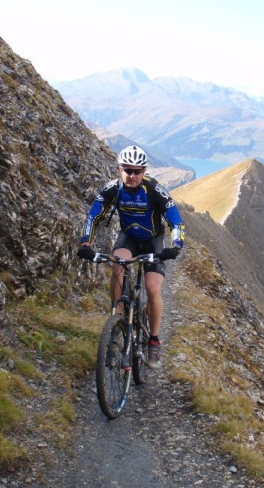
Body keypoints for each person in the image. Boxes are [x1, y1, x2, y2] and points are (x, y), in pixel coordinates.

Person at [77, 145, 185, 369]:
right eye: (127, 170)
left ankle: (153, 340)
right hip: (128, 239)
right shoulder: (113, 189)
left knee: (153, 289)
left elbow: (176, 220)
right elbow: (92, 217)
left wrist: (175, 246)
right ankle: (116, 319)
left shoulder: (154, 190)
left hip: (153, 241)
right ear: (120, 169)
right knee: (117, 264)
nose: (132, 175)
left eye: (137, 171)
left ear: (144, 171)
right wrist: (85, 243)